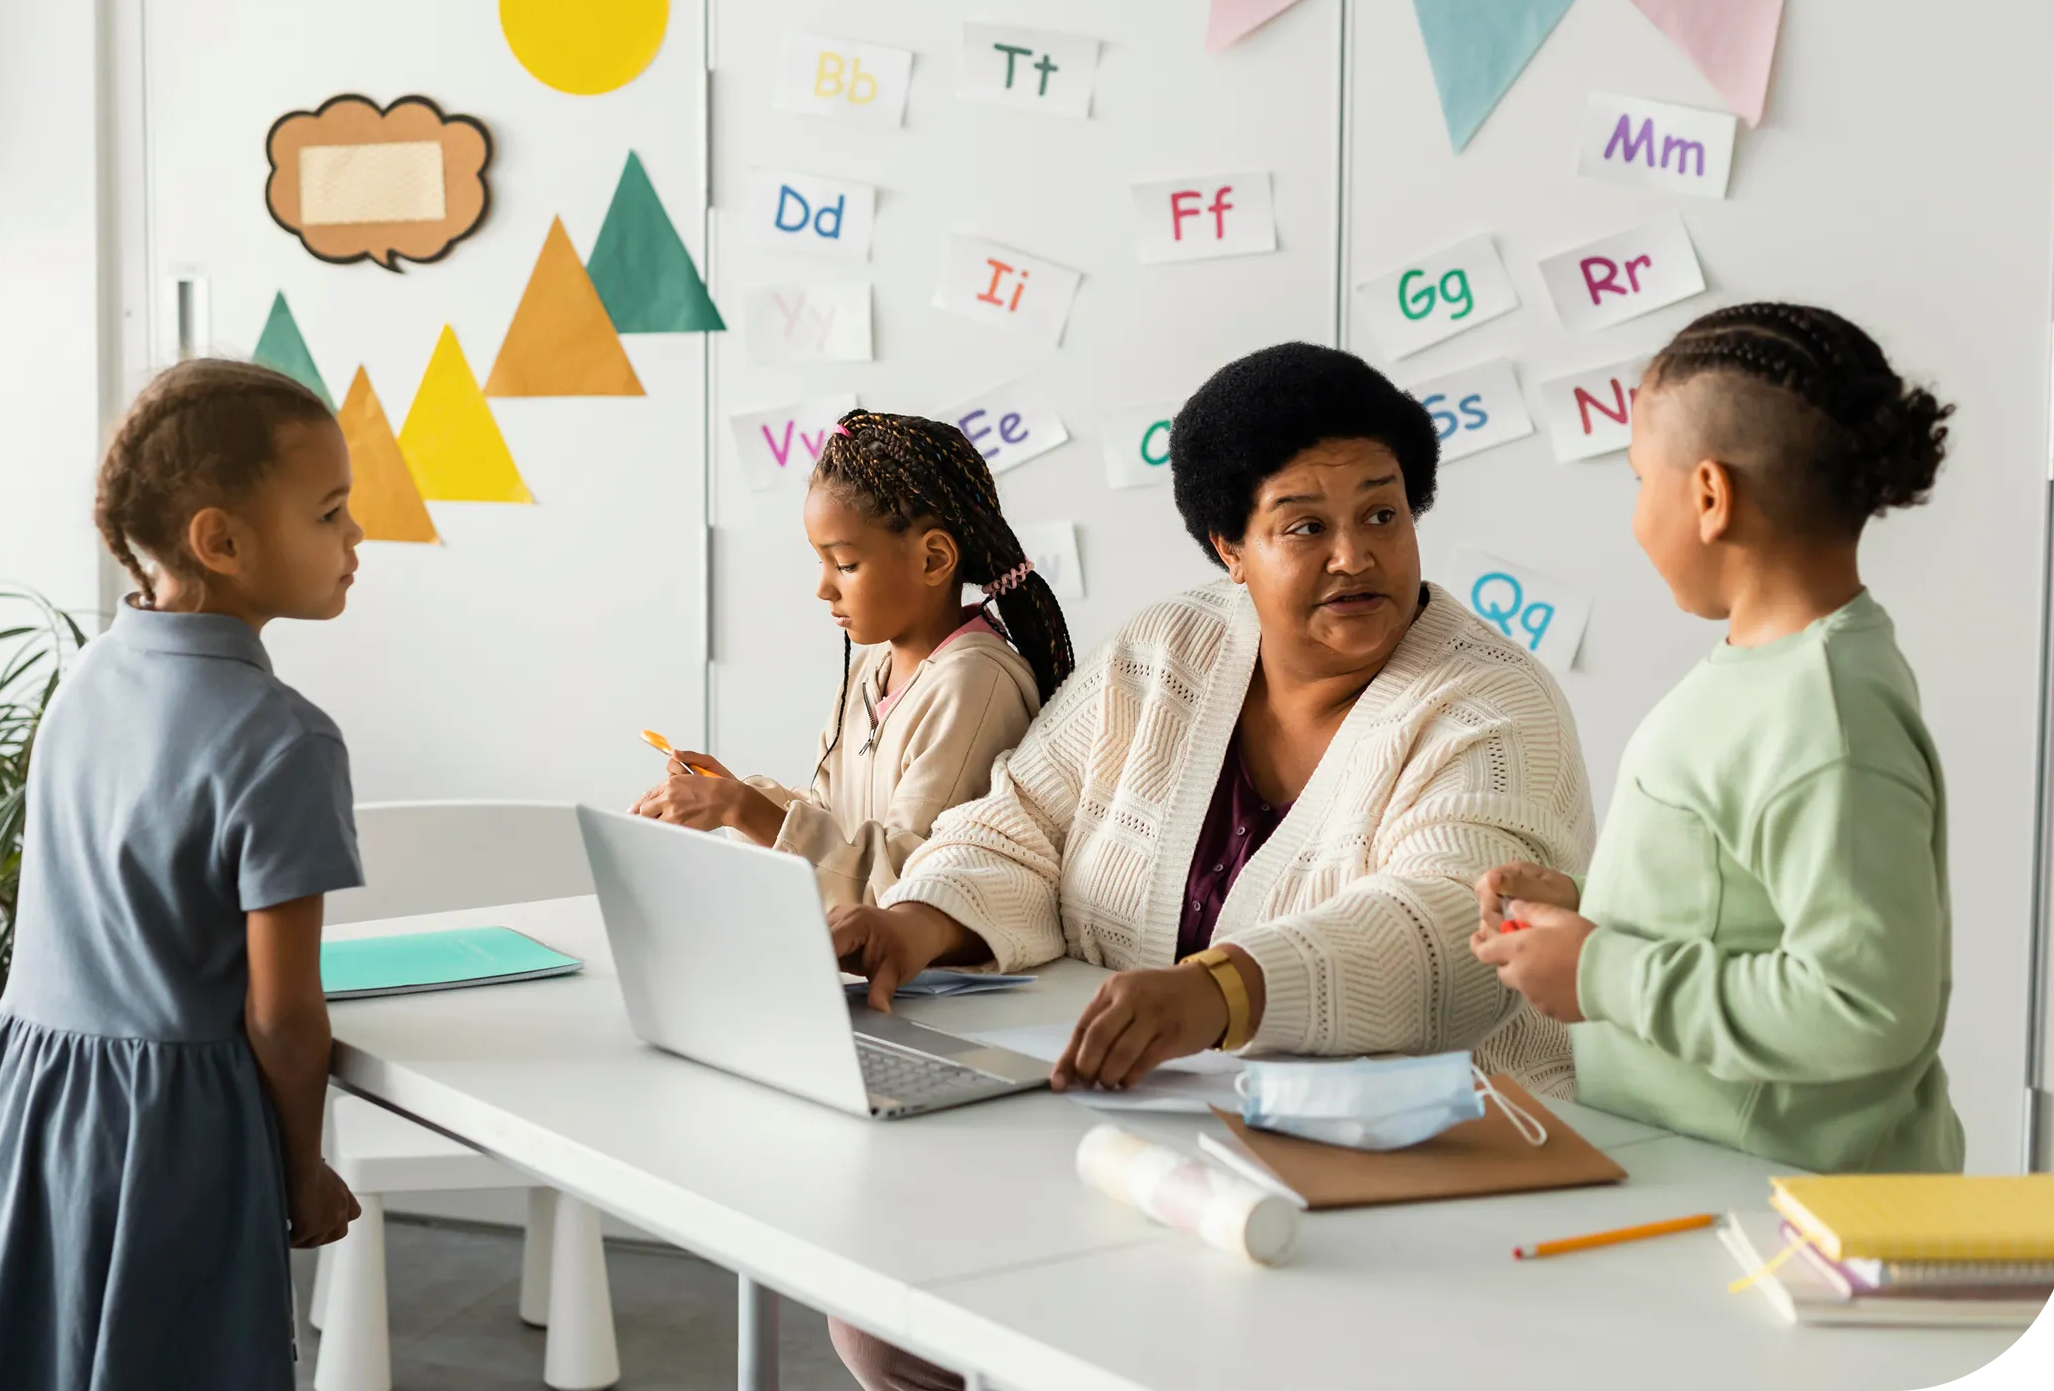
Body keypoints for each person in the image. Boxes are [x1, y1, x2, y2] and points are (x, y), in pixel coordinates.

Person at [825, 343, 1594, 1391]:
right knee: (886, 1318)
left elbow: (1443, 937)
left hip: (1420, 1171)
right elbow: (1021, 820)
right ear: (1227, 545)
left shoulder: (1495, 707)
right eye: (1302, 526)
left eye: (1382, 513)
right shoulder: (1167, 650)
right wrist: (918, 917)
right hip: (1161, 1136)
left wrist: (1221, 988)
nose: (1353, 556)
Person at [0, 360, 368, 1391]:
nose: (357, 539)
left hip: (36, 1093)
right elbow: (284, 1016)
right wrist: (302, 1166)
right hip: (175, 1132)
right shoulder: (286, 742)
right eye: (331, 513)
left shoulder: (86, 675)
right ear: (221, 540)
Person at [1473, 303, 1964, 1173]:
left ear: (1708, 495)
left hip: (1795, 1211)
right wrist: (1600, 912)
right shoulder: (1768, 675)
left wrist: (1601, 974)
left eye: (1637, 480)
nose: (1632, 517)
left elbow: (1866, 1008)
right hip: (1711, 1172)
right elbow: (1745, 900)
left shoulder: (1829, 720)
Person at [633, 410, 1073, 907]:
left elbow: (913, 877)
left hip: (928, 978)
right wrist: (738, 798)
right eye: (820, 561)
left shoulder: (975, 685)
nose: (823, 588)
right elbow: (832, 820)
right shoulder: (871, 671)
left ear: (933, 560)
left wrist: (743, 810)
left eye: (844, 564)